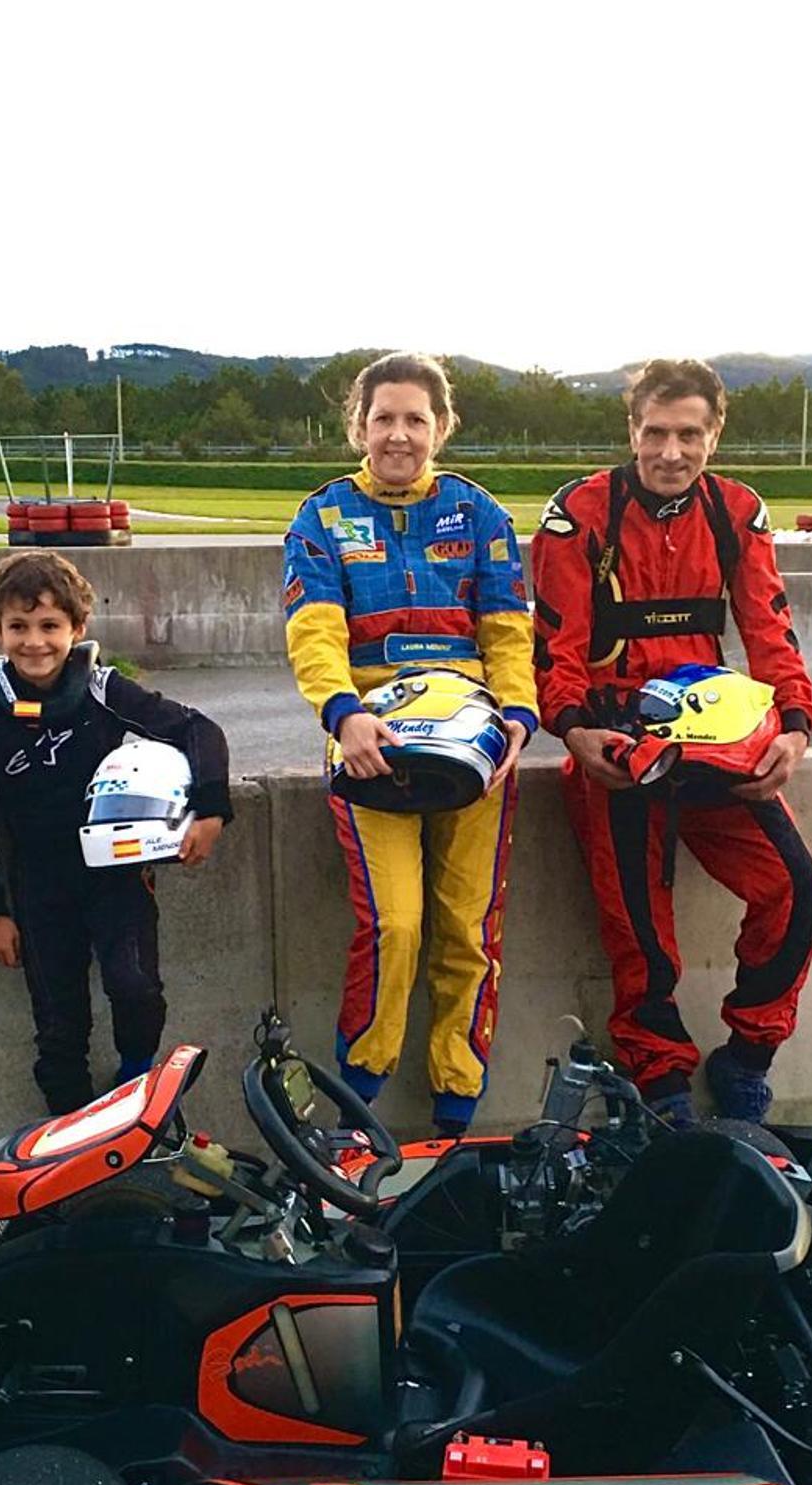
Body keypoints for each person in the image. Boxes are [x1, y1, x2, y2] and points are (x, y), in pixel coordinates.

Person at [532, 358, 812, 1127]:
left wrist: (793, 723)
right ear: (631, 430)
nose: (670, 452)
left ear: (714, 435)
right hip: (615, 745)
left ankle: (749, 1055)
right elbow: (554, 646)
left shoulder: (737, 511)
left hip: (712, 737)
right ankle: (658, 1077)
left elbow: (770, 626)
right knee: (639, 931)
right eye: (654, 432)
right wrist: (573, 726)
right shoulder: (579, 513)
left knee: (792, 887)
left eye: (688, 434)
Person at [283, 352, 537, 1135]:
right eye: (384, 418)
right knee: (395, 926)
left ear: (442, 427)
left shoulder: (480, 513)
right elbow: (314, 629)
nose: (399, 435)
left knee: (467, 927)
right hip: (371, 744)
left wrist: (518, 720)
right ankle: (359, 1095)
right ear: (358, 426)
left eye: (415, 419)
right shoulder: (321, 517)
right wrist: (343, 714)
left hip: (474, 749)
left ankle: (456, 1098)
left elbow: (508, 628)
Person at [0, 550, 231, 1116]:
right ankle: (69, 1148)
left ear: (77, 629)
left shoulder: (103, 691)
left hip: (116, 877)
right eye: (19, 627)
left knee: (136, 990)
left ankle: (133, 1089)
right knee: (58, 1027)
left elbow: (198, 730)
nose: (35, 642)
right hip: (38, 888)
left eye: (50, 626)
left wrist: (211, 810)